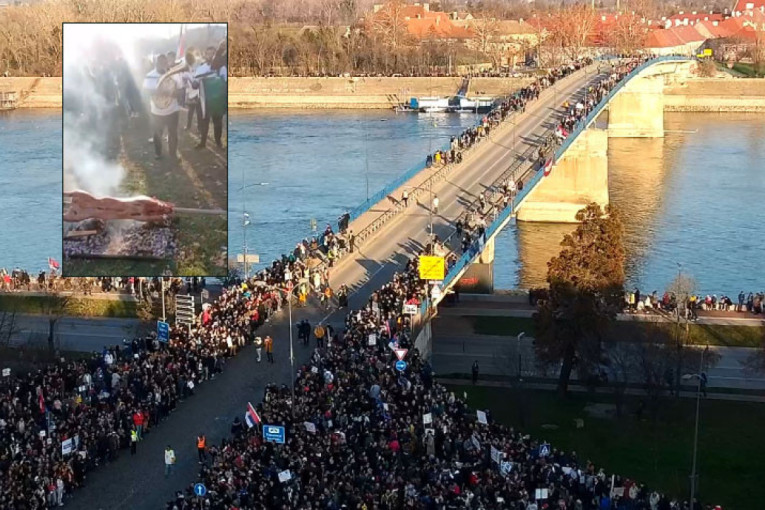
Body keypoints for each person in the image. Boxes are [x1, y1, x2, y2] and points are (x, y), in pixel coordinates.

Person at [142, 54, 185, 160]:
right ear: (155, 63)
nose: (162, 65)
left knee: (173, 133)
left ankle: (173, 153)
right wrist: (160, 91)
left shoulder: (175, 74)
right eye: (159, 63)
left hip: (172, 110)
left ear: (167, 63)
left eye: (164, 62)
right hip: (156, 111)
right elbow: (145, 91)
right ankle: (158, 153)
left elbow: (181, 91)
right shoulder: (150, 76)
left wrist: (172, 93)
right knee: (157, 134)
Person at [194, 45, 226, 149]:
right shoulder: (200, 68)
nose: (211, 56)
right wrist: (196, 82)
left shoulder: (222, 68)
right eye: (209, 54)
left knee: (217, 123)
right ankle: (202, 142)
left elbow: (225, 82)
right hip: (204, 100)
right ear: (205, 55)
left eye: (213, 54)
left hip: (217, 101)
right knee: (204, 122)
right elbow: (195, 84)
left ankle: (218, 142)